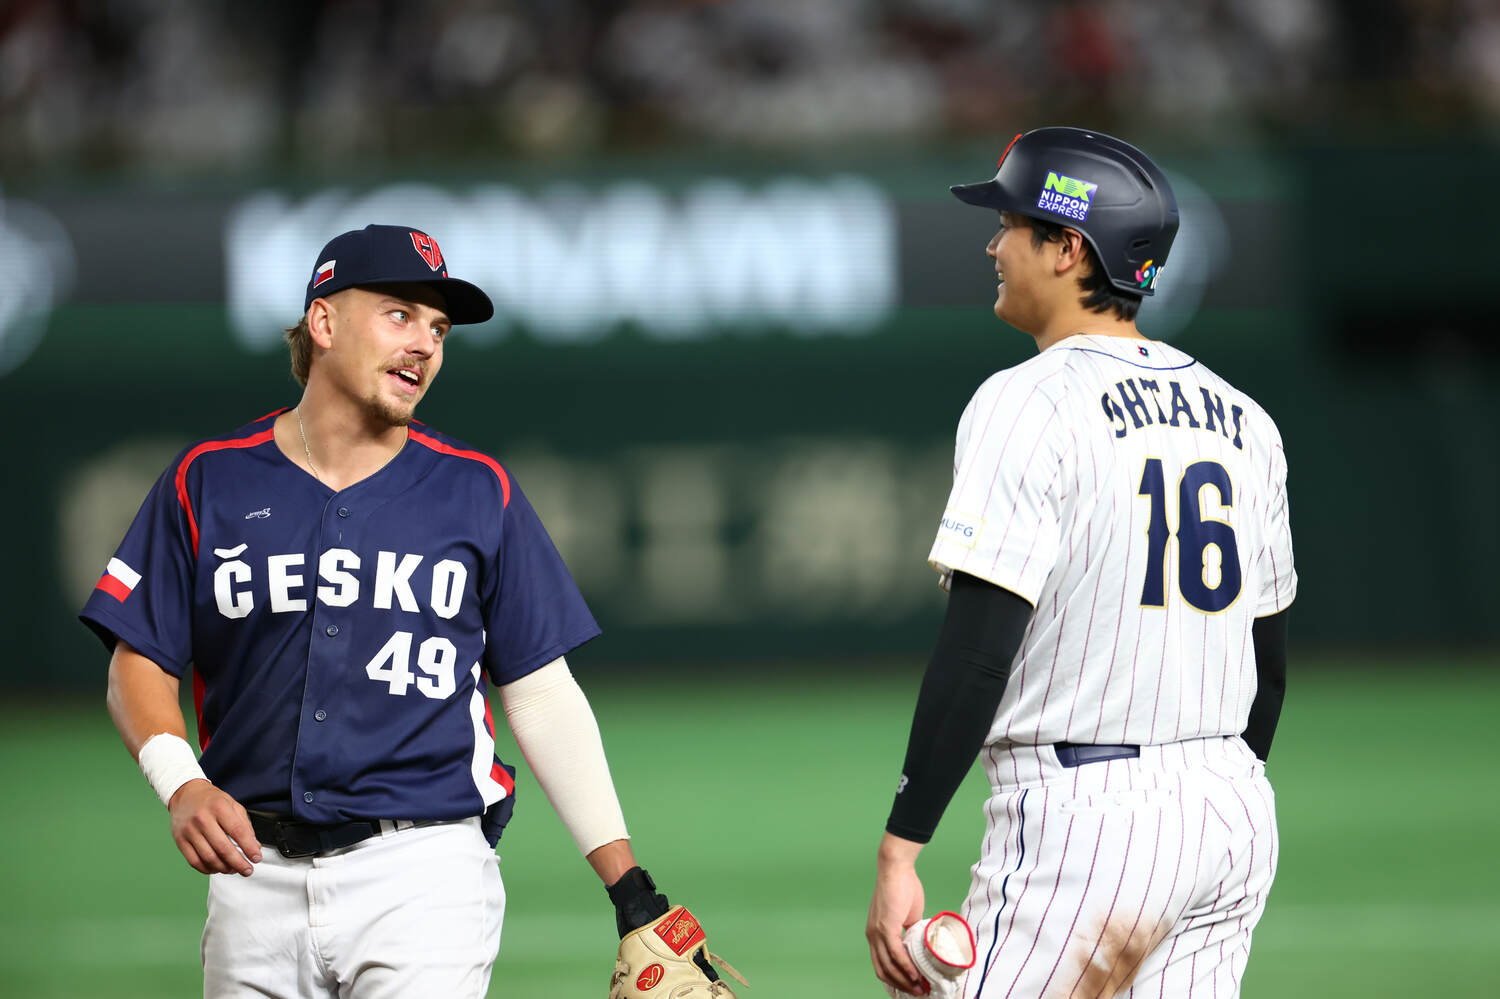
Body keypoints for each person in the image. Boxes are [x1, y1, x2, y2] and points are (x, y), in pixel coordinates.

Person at [81, 224, 735, 998]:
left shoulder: (475, 490)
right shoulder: (207, 481)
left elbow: (540, 691)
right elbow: (139, 657)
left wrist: (630, 888)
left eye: (438, 328)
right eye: (399, 314)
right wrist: (181, 783)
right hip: (251, 877)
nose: (424, 343)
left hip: (423, 874)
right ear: (323, 323)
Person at [865, 128, 1295, 998]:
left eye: (1012, 225)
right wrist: (1209, 792)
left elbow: (980, 647)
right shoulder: (1246, 418)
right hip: (1233, 808)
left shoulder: (1028, 400)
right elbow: (1268, 666)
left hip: (1087, 819)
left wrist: (900, 845)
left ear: (1068, 248)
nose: (994, 245)